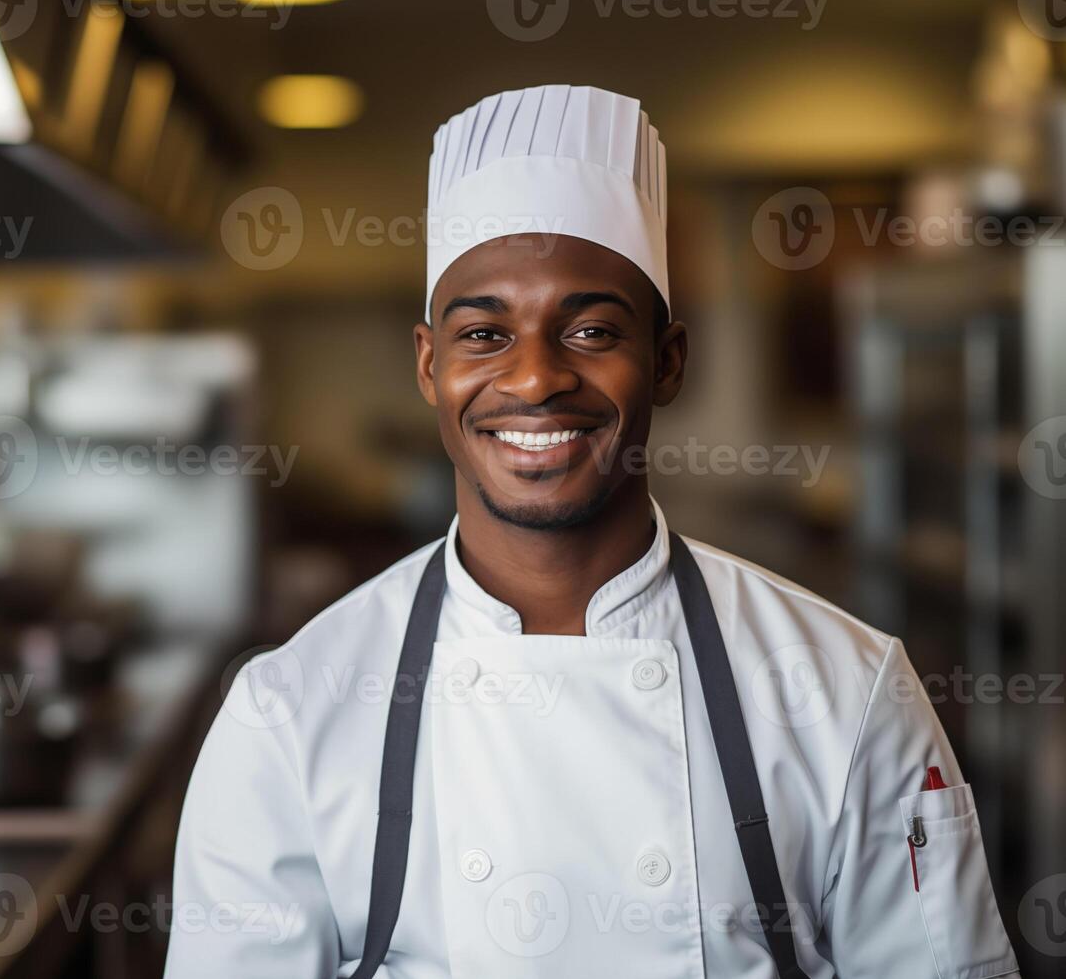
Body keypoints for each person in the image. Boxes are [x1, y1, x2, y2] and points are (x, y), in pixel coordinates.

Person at [164, 85, 1018, 978]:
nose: (535, 378)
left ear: (668, 361)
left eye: (592, 328)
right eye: (485, 333)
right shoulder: (290, 716)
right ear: (430, 367)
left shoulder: (846, 692)